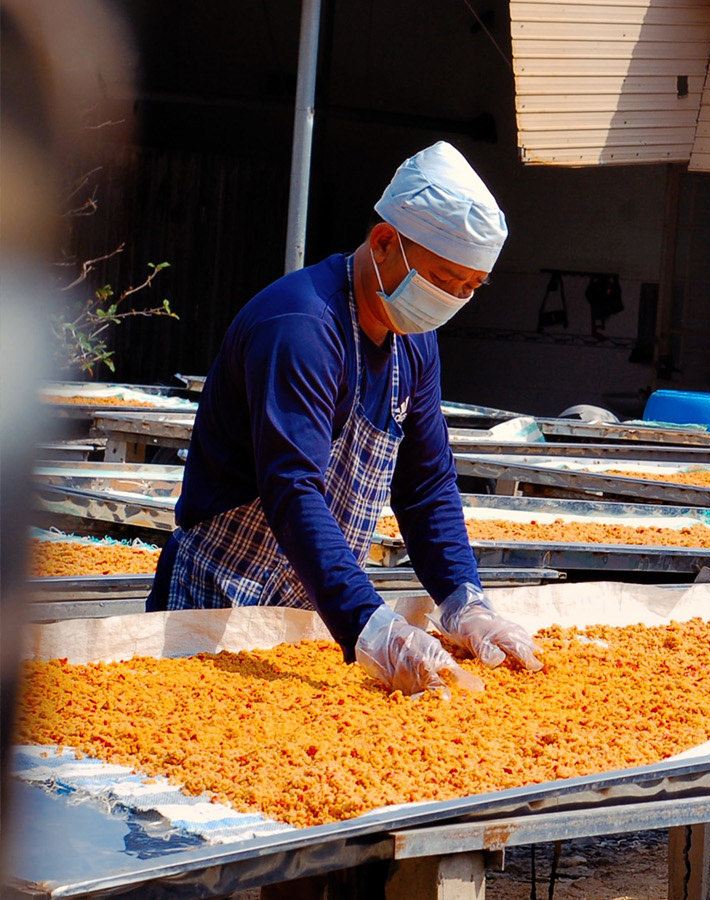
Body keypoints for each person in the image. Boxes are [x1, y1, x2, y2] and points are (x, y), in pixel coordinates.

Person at [147, 141, 540, 694]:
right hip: (222, 601)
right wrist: (369, 624)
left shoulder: (414, 341)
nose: (451, 299)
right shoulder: (301, 326)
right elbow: (291, 486)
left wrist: (463, 601)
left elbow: (426, 484)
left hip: (315, 612)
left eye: (468, 288)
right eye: (443, 279)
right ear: (384, 242)